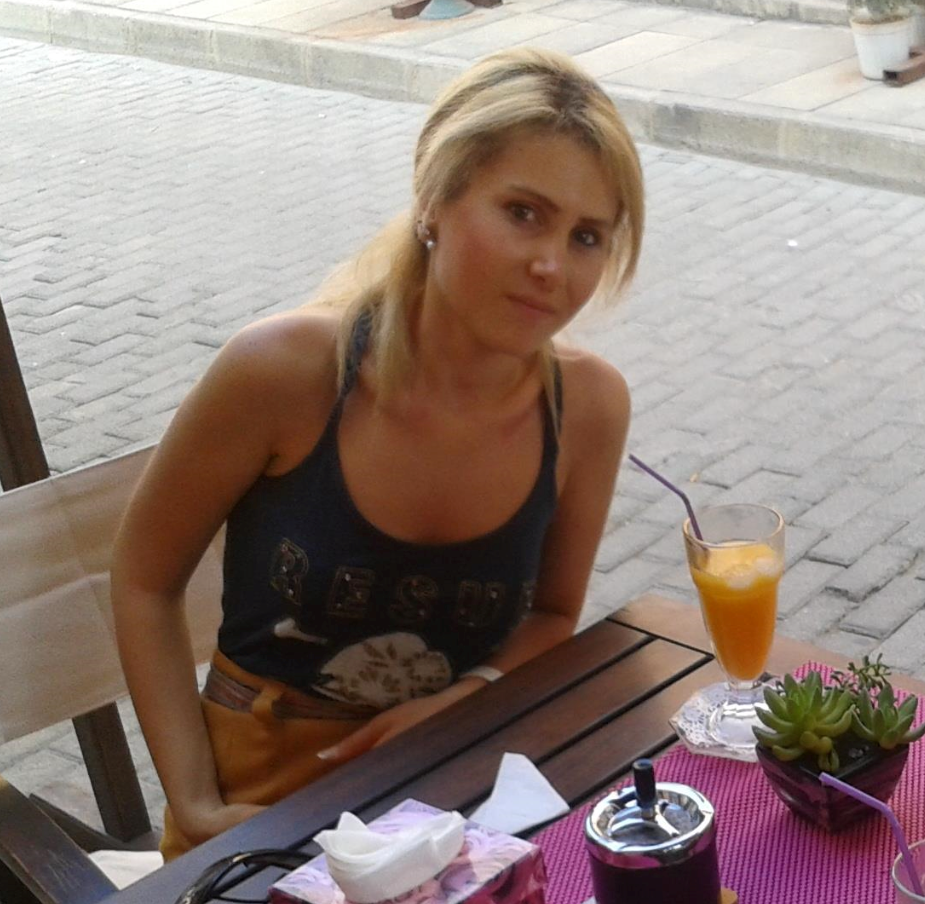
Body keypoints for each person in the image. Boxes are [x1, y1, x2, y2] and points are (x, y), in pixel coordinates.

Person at [111, 46, 645, 861]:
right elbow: (144, 578)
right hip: (262, 796)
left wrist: (467, 697)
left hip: (462, 787)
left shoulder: (590, 407)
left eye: (586, 236)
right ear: (433, 200)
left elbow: (551, 614)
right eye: (523, 212)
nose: (551, 265)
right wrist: (192, 799)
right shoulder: (283, 372)